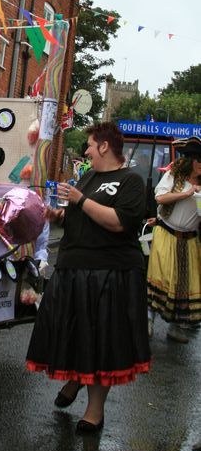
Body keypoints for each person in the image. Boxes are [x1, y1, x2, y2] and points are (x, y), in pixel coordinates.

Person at [26, 121, 150, 434]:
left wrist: (80, 200)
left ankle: (95, 411)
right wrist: (61, 216)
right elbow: (82, 215)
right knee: (75, 335)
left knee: (101, 342)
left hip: (110, 271)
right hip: (73, 265)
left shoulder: (131, 181)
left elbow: (119, 222)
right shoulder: (90, 176)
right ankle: (76, 379)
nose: (87, 151)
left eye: (91, 145)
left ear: (105, 146)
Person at [147, 137, 201, 343]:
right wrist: (187, 193)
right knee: (160, 278)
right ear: (191, 161)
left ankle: (177, 326)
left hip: (190, 240)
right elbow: (160, 198)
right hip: (167, 234)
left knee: (184, 286)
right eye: (200, 161)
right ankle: (148, 319)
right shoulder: (174, 176)